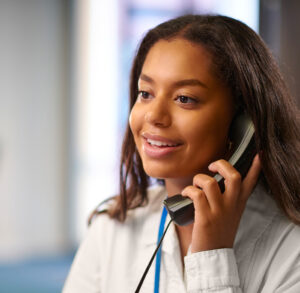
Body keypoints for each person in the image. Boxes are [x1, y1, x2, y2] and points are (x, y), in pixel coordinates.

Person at [63, 14, 300, 293]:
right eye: (146, 93)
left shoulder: (291, 247)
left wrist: (212, 258)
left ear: (242, 124)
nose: (154, 116)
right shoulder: (113, 228)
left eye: (184, 98)